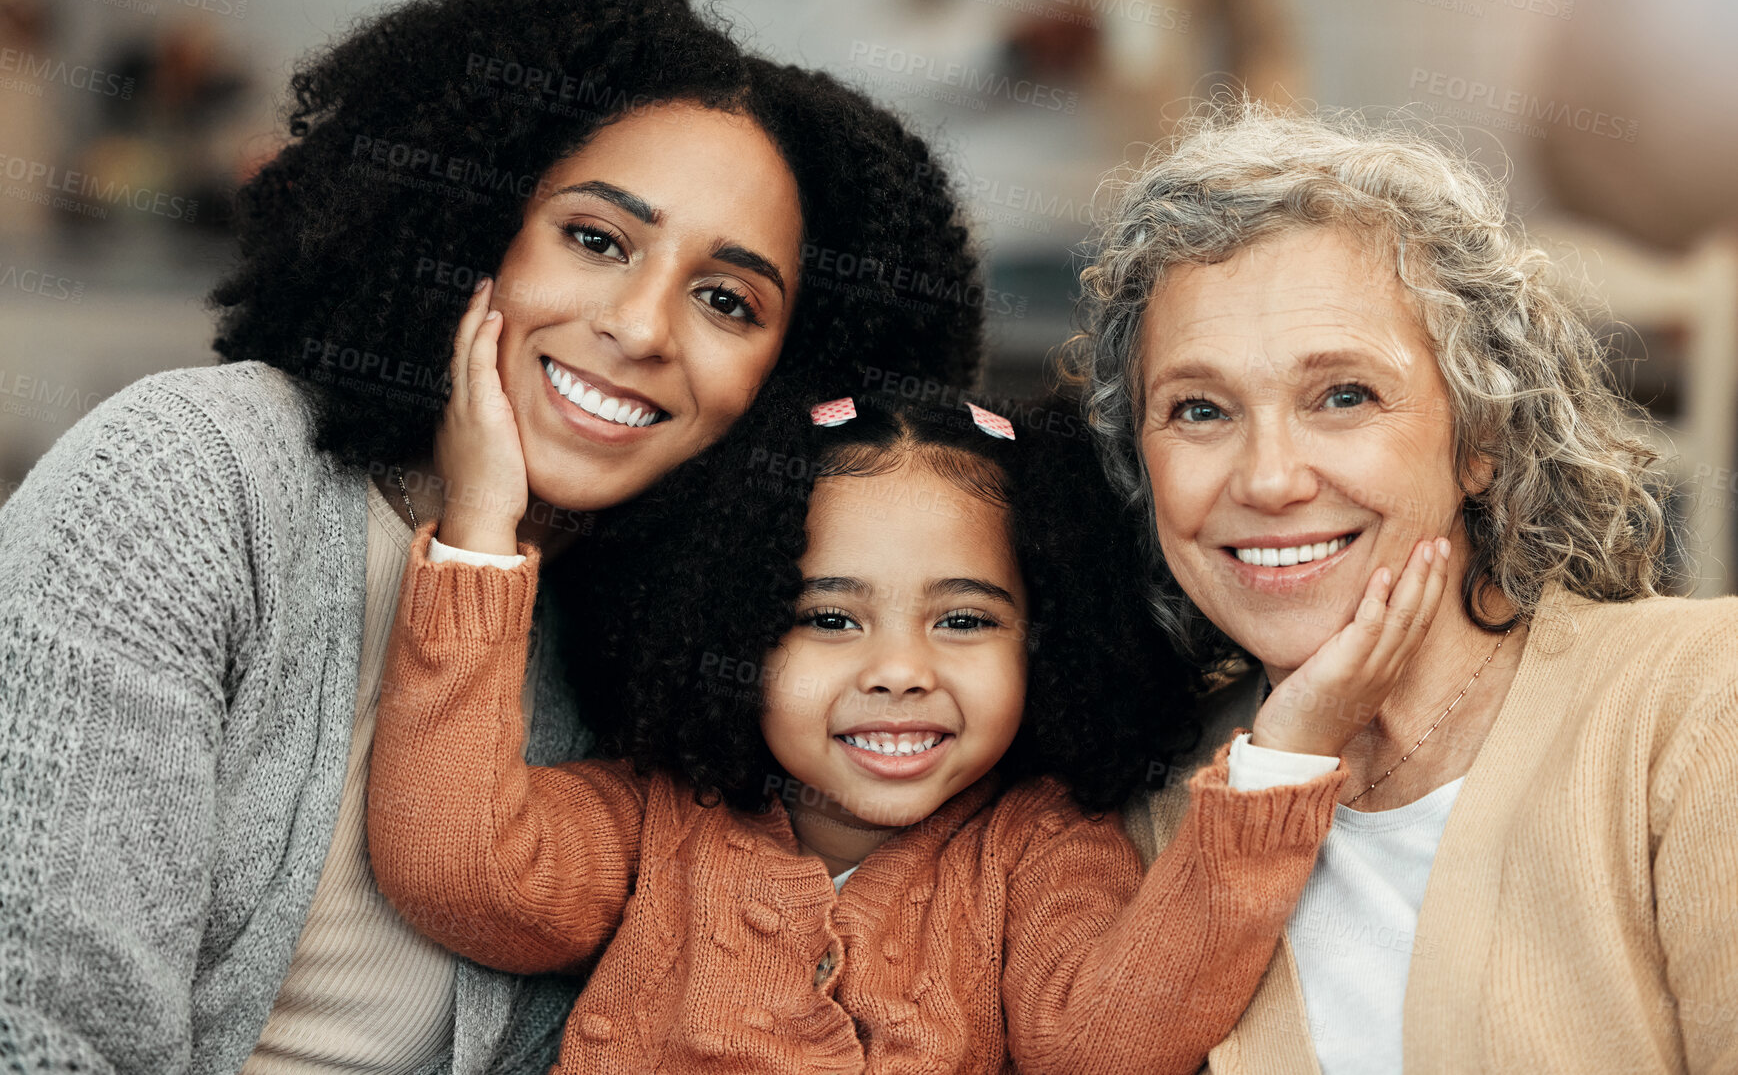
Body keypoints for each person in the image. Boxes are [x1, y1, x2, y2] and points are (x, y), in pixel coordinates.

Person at [0, 0, 984, 1075]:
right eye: (597, 239)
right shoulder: (191, 479)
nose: (642, 326)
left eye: (727, 300)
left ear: (783, 377)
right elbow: (40, 1023)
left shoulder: (666, 651)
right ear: (473, 228)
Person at [363, 315, 1457, 1071]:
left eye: (965, 620)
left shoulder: (1036, 849)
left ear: (1049, 640)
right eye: (830, 618)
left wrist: (1288, 751)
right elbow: (458, 869)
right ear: (732, 628)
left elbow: (1105, 1044)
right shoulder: (660, 816)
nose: (899, 670)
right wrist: (479, 540)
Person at [1066, 105, 1738, 1074]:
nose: (1267, 478)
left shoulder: (1697, 711)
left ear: (1482, 438)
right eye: (1198, 409)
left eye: (1342, 395)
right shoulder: (1153, 830)